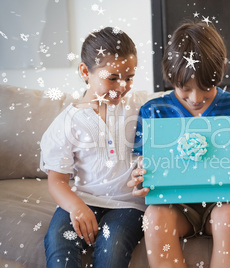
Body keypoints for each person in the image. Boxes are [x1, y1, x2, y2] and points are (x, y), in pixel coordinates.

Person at [127, 21, 230, 268]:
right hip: (175, 206)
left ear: (221, 69)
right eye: (184, 89)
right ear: (169, 76)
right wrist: (140, 182)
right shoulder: (153, 111)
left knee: (229, 215)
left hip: (226, 204)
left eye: (206, 88)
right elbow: (143, 174)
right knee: (154, 217)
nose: (196, 99)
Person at [40, 27, 147, 267]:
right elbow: (57, 181)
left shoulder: (141, 106)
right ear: (85, 71)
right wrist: (77, 208)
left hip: (128, 205)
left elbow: (181, 102)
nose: (122, 86)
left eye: (129, 77)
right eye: (112, 78)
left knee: (113, 248)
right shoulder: (67, 123)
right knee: (58, 241)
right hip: (85, 198)